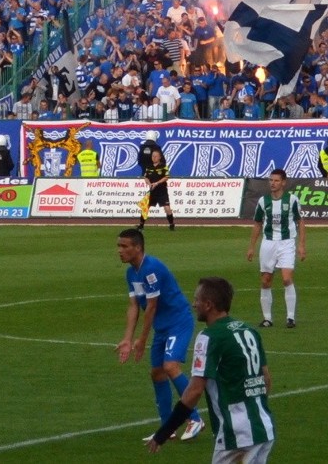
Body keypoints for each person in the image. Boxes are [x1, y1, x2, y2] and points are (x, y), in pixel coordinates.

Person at [147, 276, 275, 463]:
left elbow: (194, 391)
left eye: (197, 300)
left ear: (208, 305)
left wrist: (164, 432)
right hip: (264, 427)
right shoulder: (250, 331)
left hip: (237, 435)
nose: (193, 304)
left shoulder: (209, 337)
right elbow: (266, 380)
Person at [115, 229, 205, 442]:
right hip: (162, 326)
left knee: (170, 366)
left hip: (178, 321)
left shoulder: (151, 268)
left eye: (124, 246)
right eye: (118, 246)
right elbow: (134, 305)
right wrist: (128, 339)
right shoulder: (131, 273)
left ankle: (195, 418)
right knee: (157, 373)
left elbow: (152, 306)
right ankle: (167, 428)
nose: (120, 251)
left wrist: (142, 339)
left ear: (138, 247)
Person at [246, 169, 306, 328]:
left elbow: (300, 221)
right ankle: (267, 318)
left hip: (286, 242)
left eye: (276, 180)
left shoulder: (292, 200)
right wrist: (251, 247)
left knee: (286, 278)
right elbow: (257, 223)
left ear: (283, 182)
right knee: (266, 280)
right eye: (271, 180)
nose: (272, 183)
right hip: (268, 243)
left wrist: (301, 245)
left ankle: (290, 318)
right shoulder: (263, 201)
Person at [137, 150, 175, 231]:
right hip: (152, 191)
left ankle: (171, 224)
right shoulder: (149, 167)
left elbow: (166, 177)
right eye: (152, 156)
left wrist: (157, 183)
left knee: (167, 208)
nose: (154, 158)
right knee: (145, 207)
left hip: (162, 191)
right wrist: (149, 183)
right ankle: (141, 225)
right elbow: (145, 177)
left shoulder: (163, 166)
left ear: (160, 157)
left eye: (156, 156)